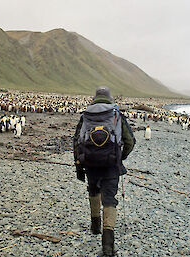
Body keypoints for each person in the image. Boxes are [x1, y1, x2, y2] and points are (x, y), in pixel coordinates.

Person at [73, 86, 135, 256]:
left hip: (91, 162)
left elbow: (77, 142)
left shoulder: (86, 115)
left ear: (95, 98)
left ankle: (95, 226)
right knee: (109, 199)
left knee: (93, 190)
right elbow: (130, 141)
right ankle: (108, 246)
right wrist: (120, 157)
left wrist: (79, 165)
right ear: (109, 98)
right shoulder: (116, 115)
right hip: (110, 165)